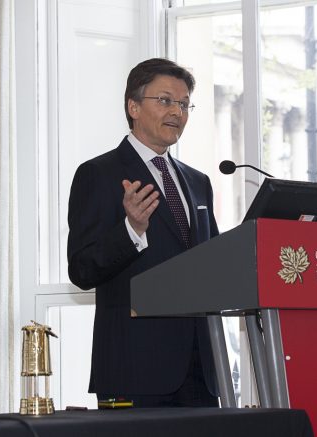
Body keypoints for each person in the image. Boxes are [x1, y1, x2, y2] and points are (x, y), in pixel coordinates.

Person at [67, 58, 220, 408]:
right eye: (166, 100)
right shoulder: (98, 174)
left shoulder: (198, 182)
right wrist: (131, 229)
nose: (177, 112)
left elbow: (214, 258)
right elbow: (82, 270)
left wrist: (270, 234)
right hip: (136, 369)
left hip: (202, 369)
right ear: (133, 106)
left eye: (184, 104)